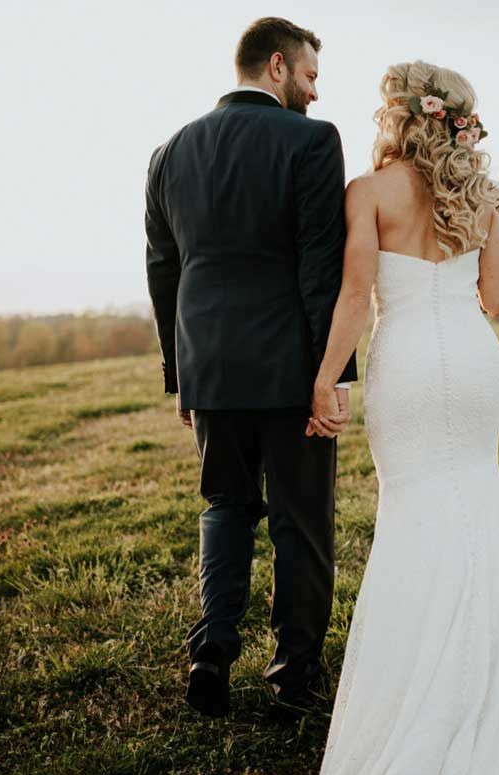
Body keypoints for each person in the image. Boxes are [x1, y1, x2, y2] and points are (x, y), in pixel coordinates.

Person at [305, 60, 499, 775]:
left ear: (398, 116)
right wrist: (492, 232)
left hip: (404, 363)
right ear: (455, 121)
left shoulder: (366, 192)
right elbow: (493, 299)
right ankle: (489, 685)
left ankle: (421, 692)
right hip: (471, 363)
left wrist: (326, 376)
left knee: (414, 512)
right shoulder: (480, 197)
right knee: (476, 502)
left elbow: (356, 292)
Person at [143, 16, 356, 717]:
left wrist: (181, 371)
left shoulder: (168, 153)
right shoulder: (312, 141)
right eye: (309, 76)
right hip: (292, 367)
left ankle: (210, 651)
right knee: (300, 521)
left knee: (225, 507)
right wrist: (334, 375)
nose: (315, 94)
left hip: (211, 365)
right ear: (276, 66)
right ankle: (294, 676)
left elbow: (163, 268)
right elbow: (320, 266)